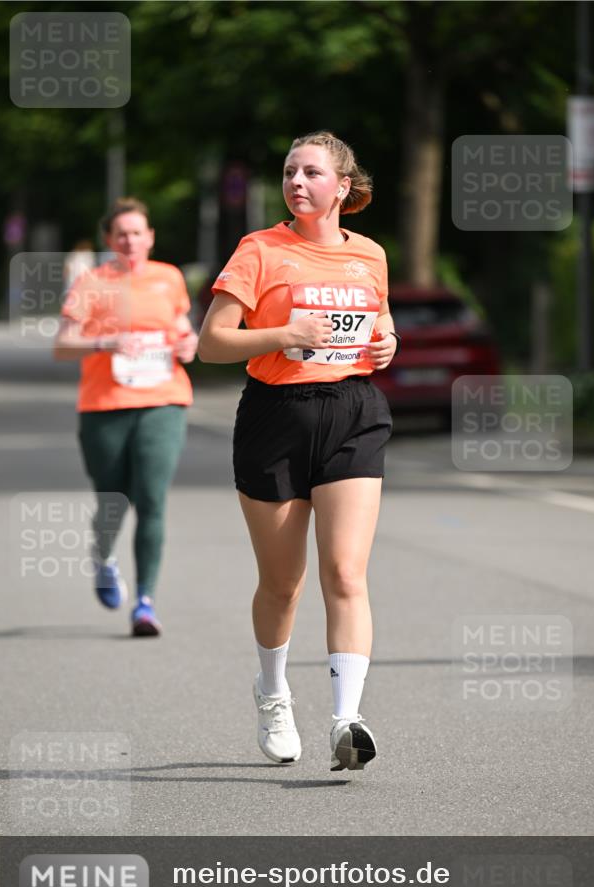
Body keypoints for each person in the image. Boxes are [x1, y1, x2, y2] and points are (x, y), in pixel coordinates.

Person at [199, 131, 400, 771]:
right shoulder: (259, 250)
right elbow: (212, 343)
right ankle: (273, 693)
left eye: (311, 173)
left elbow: (380, 319)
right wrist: (283, 333)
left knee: (345, 573)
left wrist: (388, 342)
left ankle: (348, 719)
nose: (297, 183)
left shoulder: (369, 254)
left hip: (353, 410)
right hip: (276, 417)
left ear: (342, 187)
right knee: (283, 584)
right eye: (289, 172)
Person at [53, 197, 198, 636]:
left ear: (150, 237)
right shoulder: (92, 283)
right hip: (105, 406)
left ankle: (145, 602)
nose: (131, 240)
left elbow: (183, 329)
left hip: (163, 400)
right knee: (112, 500)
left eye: (138, 232)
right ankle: (104, 557)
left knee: (152, 499)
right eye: (122, 234)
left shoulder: (169, 278)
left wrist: (189, 344)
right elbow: (62, 345)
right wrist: (107, 343)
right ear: (109, 240)